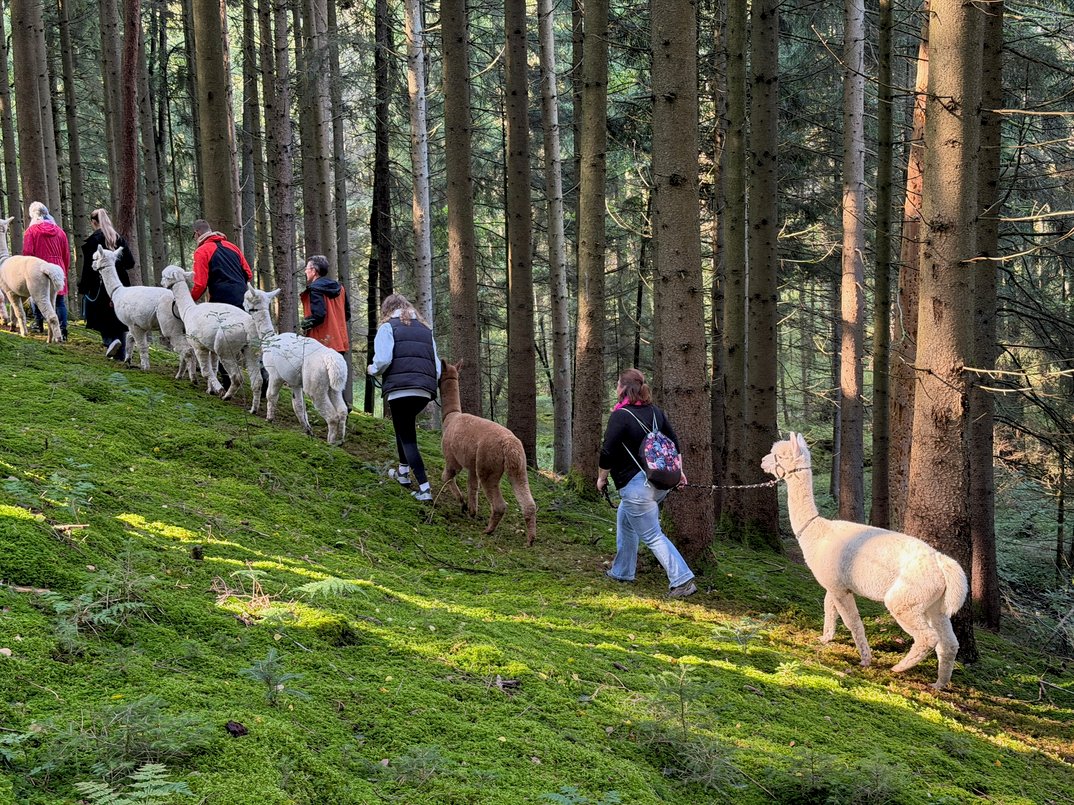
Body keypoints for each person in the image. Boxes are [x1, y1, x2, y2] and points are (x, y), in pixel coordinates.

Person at [596, 368, 697, 598]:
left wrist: (602, 478)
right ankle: (622, 571)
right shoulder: (655, 413)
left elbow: (607, 451)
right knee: (626, 519)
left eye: (617, 385)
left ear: (622, 388)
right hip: (660, 483)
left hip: (636, 488)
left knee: (652, 535)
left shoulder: (620, 416)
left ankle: (682, 580)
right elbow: (675, 443)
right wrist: (679, 472)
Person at [367, 293, 441, 503]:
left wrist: (372, 369)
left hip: (400, 390)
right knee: (404, 428)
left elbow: (382, 360)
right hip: (424, 391)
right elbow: (436, 367)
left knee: (408, 438)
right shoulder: (426, 331)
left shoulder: (387, 327)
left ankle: (425, 488)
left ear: (387, 310)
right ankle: (402, 472)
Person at [77, 208, 134, 360]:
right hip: (121, 283)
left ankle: (109, 341)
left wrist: (84, 286)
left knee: (100, 317)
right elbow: (130, 263)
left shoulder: (93, 240)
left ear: (93, 222)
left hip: (100, 285)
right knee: (119, 317)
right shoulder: (118, 239)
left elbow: (88, 267)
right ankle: (120, 355)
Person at [24, 202, 71, 340]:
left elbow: (27, 253)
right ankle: (63, 330)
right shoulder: (60, 232)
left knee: (37, 297)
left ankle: (39, 325)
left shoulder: (31, 232)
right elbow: (66, 254)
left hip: (39, 267)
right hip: (58, 266)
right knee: (59, 300)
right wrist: (64, 270)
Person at [191, 219, 252, 309]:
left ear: (197, 233)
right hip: (243, 299)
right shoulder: (233, 247)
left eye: (193, 236)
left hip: (221, 303)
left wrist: (190, 299)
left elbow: (200, 284)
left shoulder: (202, 251)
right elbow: (249, 274)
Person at [300, 255, 350, 355]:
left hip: (320, 343)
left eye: (306, 268)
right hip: (339, 343)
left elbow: (319, 315)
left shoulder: (315, 289)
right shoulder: (340, 288)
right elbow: (347, 315)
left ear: (313, 271)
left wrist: (304, 324)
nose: (305, 271)